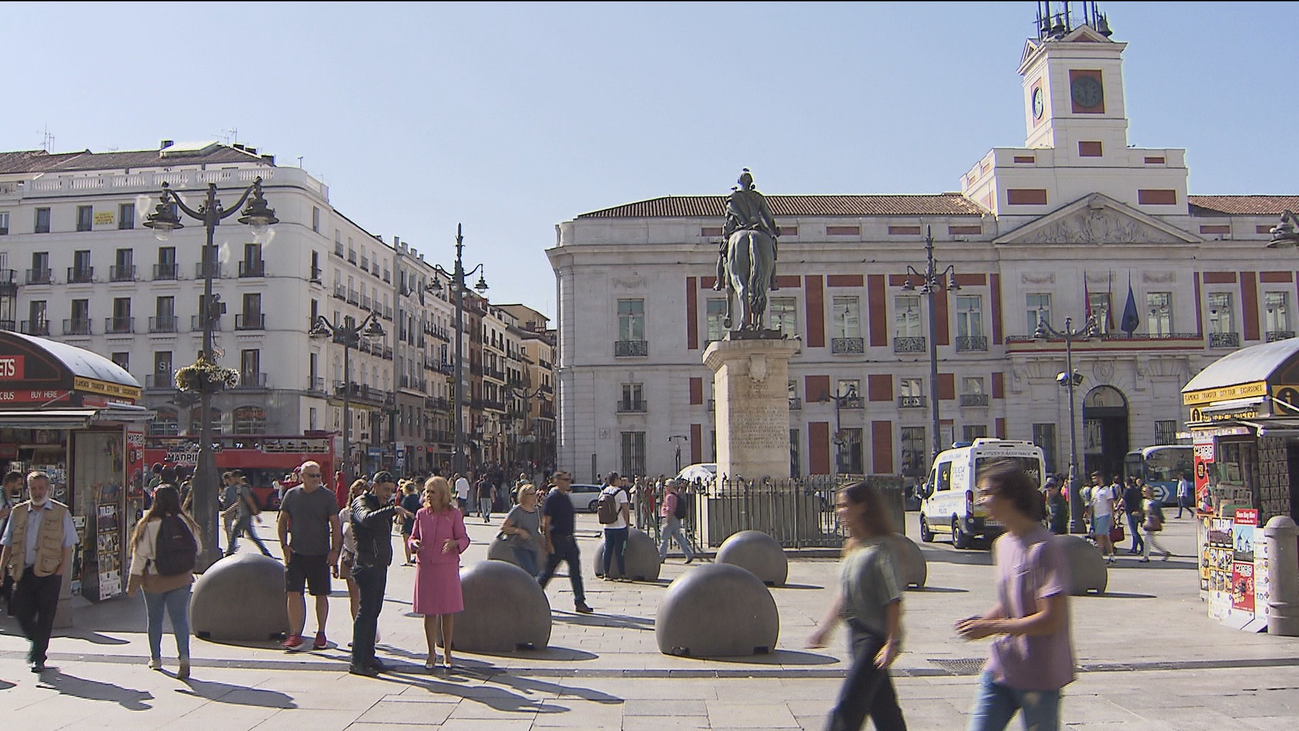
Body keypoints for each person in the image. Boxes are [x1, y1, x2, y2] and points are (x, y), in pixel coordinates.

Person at [956, 460, 1074, 731]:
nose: (982, 500)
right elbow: (1012, 599)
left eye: (987, 493)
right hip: (1002, 666)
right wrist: (982, 622)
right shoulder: (1002, 544)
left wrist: (992, 627)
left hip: (1039, 673)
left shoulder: (1044, 548)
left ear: (1010, 497)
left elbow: (1051, 619)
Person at [806, 481, 908, 731]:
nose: (839, 511)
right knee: (885, 711)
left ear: (862, 507)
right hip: (856, 634)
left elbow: (892, 598)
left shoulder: (882, 548)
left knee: (848, 706)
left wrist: (891, 642)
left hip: (875, 639)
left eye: (844, 506)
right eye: (838, 506)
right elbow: (843, 594)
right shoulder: (853, 547)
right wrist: (825, 628)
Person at [0, 471, 79, 673]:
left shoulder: (61, 512)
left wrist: (60, 572)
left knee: (46, 616)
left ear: (49, 489)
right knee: (19, 609)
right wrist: (1, 569)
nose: (37, 492)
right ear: (28, 489)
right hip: (24, 571)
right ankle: (36, 641)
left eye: (41, 488)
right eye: (33, 488)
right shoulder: (18, 512)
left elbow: (68, 545)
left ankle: (38, 657)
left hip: (50, 573)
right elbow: (7, 543)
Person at [126, 484, 200, 679]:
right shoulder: (186, 521)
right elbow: (197, 548)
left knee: (155, 618)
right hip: (181, 578)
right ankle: (184, 657)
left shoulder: (148, 523)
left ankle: (156, 658)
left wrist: (132, 585)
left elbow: (139, 556)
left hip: (154, 579)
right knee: (180, 619)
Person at [347, 471, 412, 676]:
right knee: (365, 613)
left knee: (374, 611)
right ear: (374, 486)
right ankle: (357, 661)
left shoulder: (383, 506)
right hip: (366, 565)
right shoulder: (361, 502)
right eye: (385, 490)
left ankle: (369, 656)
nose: (388, 494)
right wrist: (393, 509)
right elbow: (365, 519)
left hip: (379, 564)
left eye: (391, 491)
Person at [277, 460, 343, 652]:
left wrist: (334, 551)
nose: (316, 479)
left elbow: (335, 525)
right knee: (293, 593)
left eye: (318, 475)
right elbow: (282, 521)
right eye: (312, 476)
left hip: (320, 554)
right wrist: (284, 545)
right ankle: (295, 634)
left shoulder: (327, 497)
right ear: (302, 477)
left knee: (320, 594)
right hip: (296, 553)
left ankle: (321, 633)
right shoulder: (291, 495)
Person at [410, 476, 470, 671]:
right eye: (426, 491)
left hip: (446, 567)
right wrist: (414, 544)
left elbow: (464, 538)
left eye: (432, 491)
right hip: (426, 566)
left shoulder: (453, 515)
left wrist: (455, 544)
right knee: (428, 612)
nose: (428, 495)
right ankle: (430, 652)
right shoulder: (421, 514)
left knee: (447, 611)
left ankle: (447, 652)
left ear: (443, 494)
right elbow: (413, 537)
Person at [715, 168, 781, 292]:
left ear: (739, 183)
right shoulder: (758, 197)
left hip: (740, 227)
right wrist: (775, 230)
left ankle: (719, 282)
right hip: (758, 226)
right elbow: (768, 216)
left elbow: (730, 219)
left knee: (723, 253)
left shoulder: (733, 198)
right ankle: (773, 280)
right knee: (772, 247)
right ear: (750, 182)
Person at [538, 471, 594, 613]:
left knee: (575, 572)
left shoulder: (565, 496)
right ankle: (533, 595)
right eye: (565, 480)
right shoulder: (553, 498)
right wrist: (548, 543)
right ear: (557, 481)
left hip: (570, 540)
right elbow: (546, 522)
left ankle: (580, 601)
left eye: (569, 479)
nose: (568, 482)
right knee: (548, 572)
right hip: (557, 540)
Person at [335, 479, 370, 628]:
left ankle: (369, 628)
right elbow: (338, 539)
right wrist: (334, 562)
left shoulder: (371, 513)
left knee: (367, 598)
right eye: (357, 493)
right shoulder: (344, 513)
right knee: (354, 597)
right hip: (349, 557)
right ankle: (358, 630)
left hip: (367, 559)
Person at [499, 484, 543, 578]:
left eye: (535, 493)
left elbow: (535, 530)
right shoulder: (517, 510)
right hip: (519, 546)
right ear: (524, 496)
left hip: (533, 546)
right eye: (531, 494)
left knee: (533, 573)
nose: (535, 496)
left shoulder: (536, 511)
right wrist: (519, 531)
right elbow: (504, 527)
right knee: (531, 573)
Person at [227, 476, 273, 558]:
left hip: (244, 516)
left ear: (238, 477)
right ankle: (265, 552)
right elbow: (238, 503)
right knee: (252, 536)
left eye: (233, 478)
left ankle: (229, 552)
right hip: (244, 516)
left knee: (234, 533)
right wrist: (228, 511)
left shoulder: (243, 489)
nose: (232, 480)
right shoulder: (240, 489)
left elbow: (250, 502)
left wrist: (256, 515)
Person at [599, 472, 632, 580]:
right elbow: (625, 510)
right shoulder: (621, 492)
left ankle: (606, 573)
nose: (621, 481)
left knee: (607, 550)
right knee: (620, 551)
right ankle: (622, 574)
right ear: (615, 480)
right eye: (619, 479)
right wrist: (627, 523)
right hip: (620, 526)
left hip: (607, 526)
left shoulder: (604, 491)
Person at [658, 479, 695, 564]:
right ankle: (688, 554)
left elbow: (669, 510)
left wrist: (667, 521)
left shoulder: (670, 497)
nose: (665, 488)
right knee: (679, 538)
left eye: (667, 486)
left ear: (671, 487)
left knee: (664, 539)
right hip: (675, 519)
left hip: (670, 519)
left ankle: (661, 556)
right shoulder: (676, 495)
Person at [1087, 472, 1118, 562]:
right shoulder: (1094, 489)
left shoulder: (1107, 490)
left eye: (1095, 478)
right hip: (1096, 515)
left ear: (1100, 478)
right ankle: (1111, 555)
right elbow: (1093, 502)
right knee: (1105, 537)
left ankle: (1099, 556)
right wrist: (1089, 513)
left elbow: (1110, 504)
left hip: (1104, 515)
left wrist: (1112, 517)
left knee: (1099, 535)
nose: (1093, 480)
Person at [1139, 484, 1172, 562]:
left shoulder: (1153, 503)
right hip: (1147, 522)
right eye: (1142, 491)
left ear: (1149, 492)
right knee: (1153, 541)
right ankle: (1165, 552)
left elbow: (1158, 514)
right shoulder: (1144, 501)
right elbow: (1143, 512)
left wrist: (1160, 520)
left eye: (1144, 491)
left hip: (1152, 523)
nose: (1143, 492)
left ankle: (1146, 557)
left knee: (1147, 540)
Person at [399, 482, 421, 566]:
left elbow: (402, 510)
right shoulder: (417, 497)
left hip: (408, 521)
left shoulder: (406, 498)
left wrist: (402, 521)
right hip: (416, 521)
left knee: (406, 542)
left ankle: (408, 559)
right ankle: (417, 558)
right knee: (417, 540)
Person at [1122, 477, 1145, 556]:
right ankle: (1134, 548)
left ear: (1126, 483)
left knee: (1134, 532)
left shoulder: (1127, 491)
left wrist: (1117, 508)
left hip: (1130, 512)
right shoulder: (1136, 490)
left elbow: (1123, 501)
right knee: (1135, 530)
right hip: (1137, 512)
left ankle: (1142, 546)